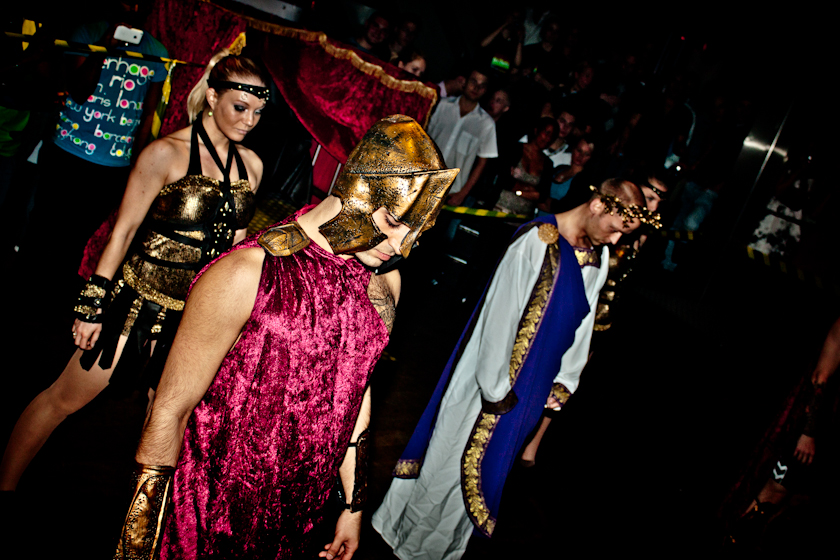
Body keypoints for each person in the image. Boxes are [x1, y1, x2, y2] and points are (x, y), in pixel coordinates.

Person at [113, 115, 459, 559]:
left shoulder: (384, 284)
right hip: (205, 518)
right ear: (360, 187)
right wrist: (137, 545)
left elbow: (355, 391)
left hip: (297, 518)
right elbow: (169, 409)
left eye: (416, 234)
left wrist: (353, 506)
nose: (399, 246)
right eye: (394, 221)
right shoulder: (245, 272)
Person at [0, 51, 267, 493]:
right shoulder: (165, 153)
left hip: (193, 317)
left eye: (258, 112)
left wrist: (230, 320)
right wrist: (92, 306)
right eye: (240, 107)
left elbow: (232, 253)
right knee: (63, 399)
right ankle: (4, 488)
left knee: (167, 419)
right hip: (136, 307)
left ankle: (140, 523)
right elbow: (122, 232)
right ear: (212, 97)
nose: (249, 120)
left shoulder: (251, 167)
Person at [372, 179, 648, 560]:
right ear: (599, 205)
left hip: (530, 393)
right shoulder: (536, 242)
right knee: (447, 467)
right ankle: (406, 547)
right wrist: (496, 391)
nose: (615, 241)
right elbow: (499, 318)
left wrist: (564, 382)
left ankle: (438, 553)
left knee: (482, 481)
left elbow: (581, 328)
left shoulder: (597, 259)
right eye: (616, 229)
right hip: (487, 386)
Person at [727, 316, 840, 548]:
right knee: (774, 490)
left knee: (791, 500)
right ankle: (729, 541)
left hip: (825, 436)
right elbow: (820, 376)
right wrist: (807, 433)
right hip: (807, 432)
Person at [427, 68, 497, 209]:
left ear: (485, 90)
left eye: (482, 85)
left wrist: (463, 194)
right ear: (464, 82)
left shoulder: (486, 124)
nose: (476, 88)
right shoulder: (441, 105)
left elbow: (482, 163)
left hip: (450, 192)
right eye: (473, 81)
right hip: (422, 180)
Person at [492, 117, 558, 217]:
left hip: (522, 218)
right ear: (536, 130)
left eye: (552, 137)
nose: (548, 138)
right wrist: (530, 189)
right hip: (497, 210)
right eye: (546, 133)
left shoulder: (548, 164)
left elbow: (542, 196)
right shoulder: (514, 149)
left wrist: (517, 190)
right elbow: (503, 180)